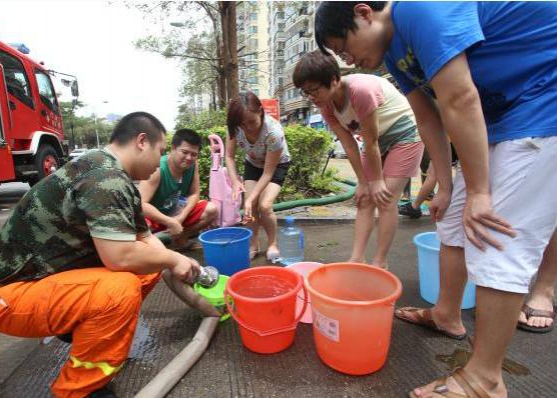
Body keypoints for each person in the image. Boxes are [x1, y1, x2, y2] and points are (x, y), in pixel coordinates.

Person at [315, 2, 557, 397]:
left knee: (495, 236)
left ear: (363, 13)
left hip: (543, 105)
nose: (347, 60)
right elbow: (430, 117)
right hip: (504, 119)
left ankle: (484, 379)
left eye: (342, 47)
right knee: (453, 217)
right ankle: (447, 315)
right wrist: (446, 184)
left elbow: (460, 97)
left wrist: (480, 191)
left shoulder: (422, 9)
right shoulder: (392, 53)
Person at [0, 112, 201, 398]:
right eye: (160, 150)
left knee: (147, 267)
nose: (161, 160)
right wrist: (173, 259)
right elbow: (119, 257)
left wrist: (180, 263)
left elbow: (145, 241)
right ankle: (79, 390)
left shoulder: (118, 179)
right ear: (142, 141)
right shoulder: (102, 177)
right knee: (120, 290)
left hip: (43, 283)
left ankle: (88, 336)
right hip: (9, 296)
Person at [293, 50, 424, 268]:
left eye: (314, 90)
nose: (311, 97)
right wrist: (364, 182)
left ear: (334, 80)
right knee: (364, 198)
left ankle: (380, 261)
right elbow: (349, 143)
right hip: (376, 140)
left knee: (386, 198)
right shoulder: (326, 106)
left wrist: (376, 181)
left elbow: (370, 142)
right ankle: (356, 258)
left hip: (405, 133)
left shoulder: (360, 91)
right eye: (306, 92)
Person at [225, 91, 291, 261]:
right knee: (250, 207)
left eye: (252, 122)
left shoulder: (273, 133)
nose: (247, 128)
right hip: (253, 164)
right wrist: (234, 181)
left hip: (276, 166)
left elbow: (268, 172)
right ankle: (254, 244)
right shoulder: (234, 128)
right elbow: (229, 157)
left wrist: (249, 197)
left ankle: (272, 243)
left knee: (265, 205)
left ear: (260, 111)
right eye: (242, 124)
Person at [139, 128, 218, 249]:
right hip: (154, 217)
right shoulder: (158, 168)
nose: (189, 158)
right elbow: (141, 204)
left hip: (176, 212)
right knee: (139, 226)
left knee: (211, 210)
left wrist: (181, 217)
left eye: (194, 154)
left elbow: (194, 194)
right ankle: (154, 250)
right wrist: (169, 221)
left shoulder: (193, 165)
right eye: (185, 152)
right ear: (173, 148)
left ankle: (180, 239)